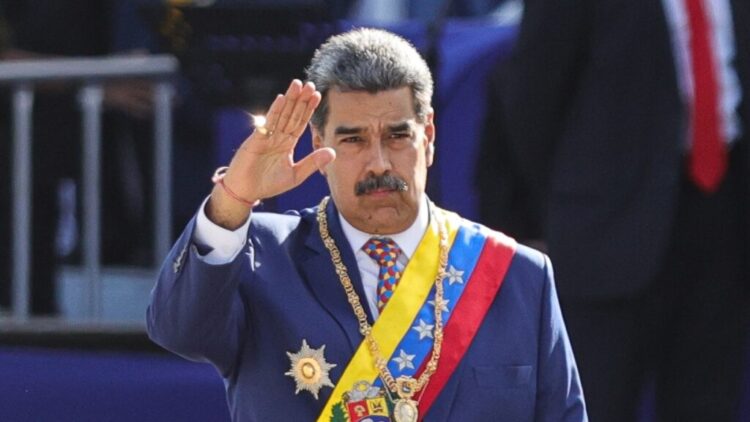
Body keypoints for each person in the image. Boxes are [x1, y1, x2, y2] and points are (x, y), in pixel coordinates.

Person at [148, 28, 587, 421]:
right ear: (318, 143)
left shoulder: (516, 275)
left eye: (397, 136)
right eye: (353, 139)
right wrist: (233, 199)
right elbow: (178, 331)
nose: (378, 163)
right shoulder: (260, 255)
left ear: (428, 137)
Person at [478, 0, 749, 421]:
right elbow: (533, 97)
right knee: (595, 403)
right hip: (605, 232)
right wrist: (568, 208)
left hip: (722, 219)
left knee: (709, 401)